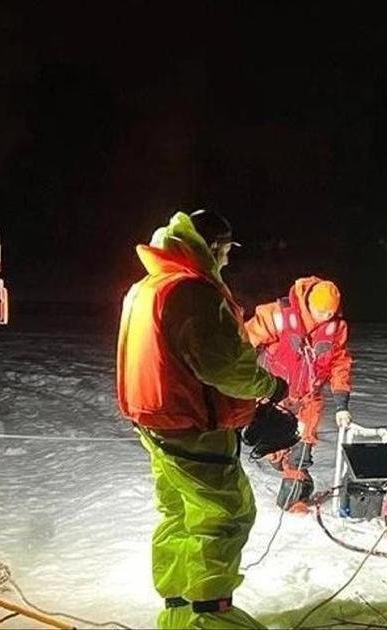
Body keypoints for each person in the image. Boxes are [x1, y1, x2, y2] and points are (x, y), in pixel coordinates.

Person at [116, 209, 291, 629]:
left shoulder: (150, 286)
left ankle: (177, 607)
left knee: (179, 511)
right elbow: (221, 366)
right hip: (192, 425)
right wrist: (270, 387)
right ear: (212, 248)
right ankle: (211, 613)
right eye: (227, 250)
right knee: (224, 515)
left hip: (158, 421)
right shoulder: (192, 292)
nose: (228, 259)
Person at [244, 276, 353, 512]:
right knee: (270, 448)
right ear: (309, 304)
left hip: (308, 400)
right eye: (320, 312)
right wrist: (238, 375)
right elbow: (243, 340)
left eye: (329, 313)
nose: (325, 317)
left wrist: (342, 402)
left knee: (301, 448)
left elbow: (340, 365)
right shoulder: (277, 316)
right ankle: (284, 465)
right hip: (273, 396)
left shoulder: (336, 330)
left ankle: (295, 497)